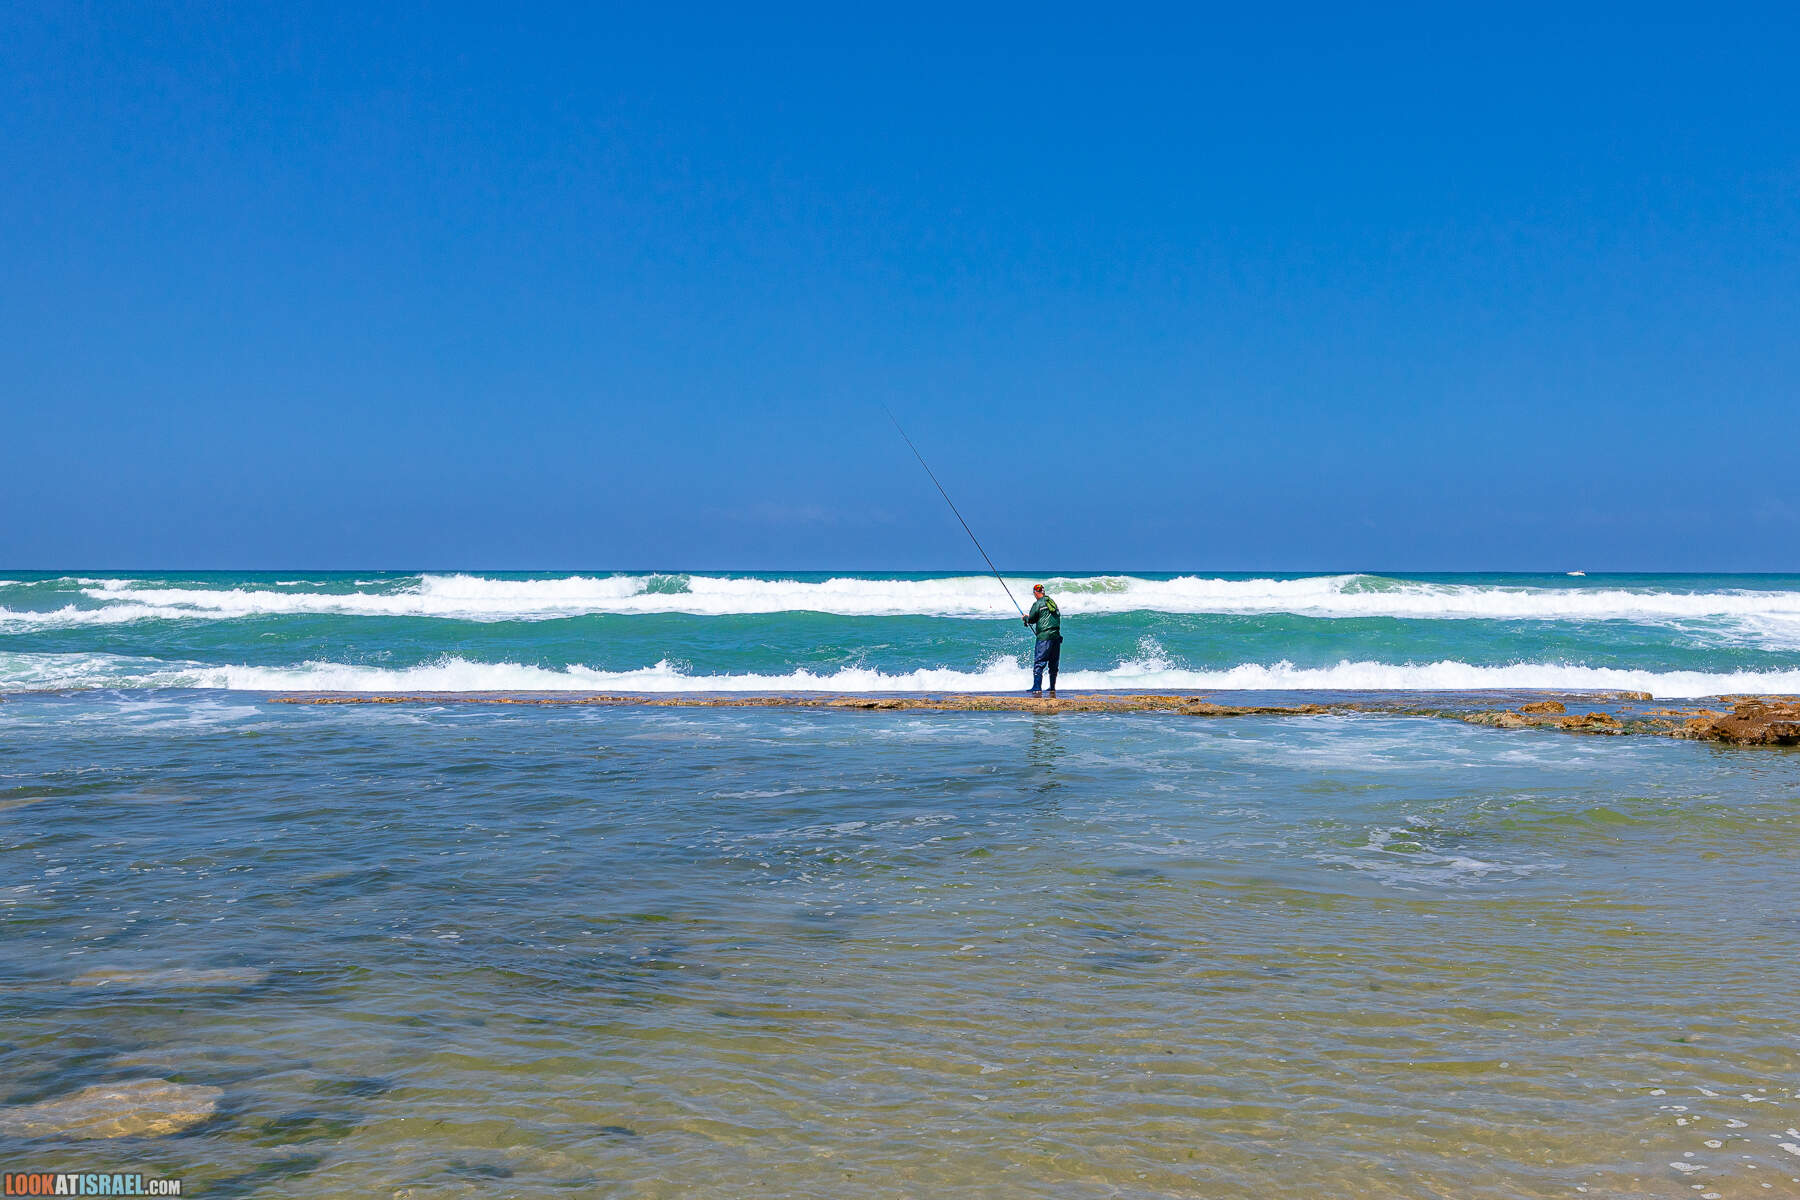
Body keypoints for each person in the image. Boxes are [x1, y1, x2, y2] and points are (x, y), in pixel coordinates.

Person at [1023, 583, 1062, 697]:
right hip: (1056, 637)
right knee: (1053, 663)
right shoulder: (1052, 602)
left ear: (1035, 593)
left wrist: (1025, 618)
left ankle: (1036, 687)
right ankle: (1052, 687)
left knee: (1039, 662)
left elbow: (1031, 619)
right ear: (1043, 592)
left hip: (1044, 638)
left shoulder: (1038, 603)